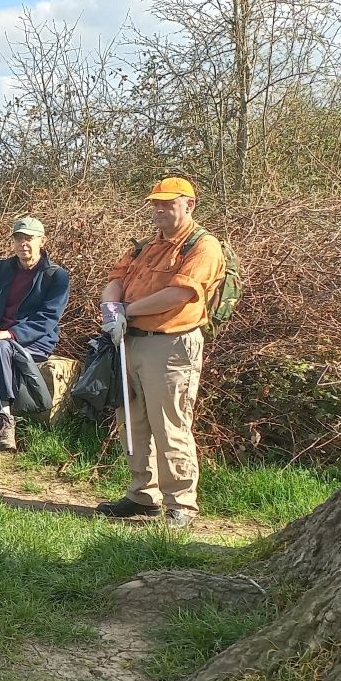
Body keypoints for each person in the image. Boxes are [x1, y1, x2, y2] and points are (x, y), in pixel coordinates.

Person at [94, 177, 226, 530]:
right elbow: (115, 279)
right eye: (155, 203)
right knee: (132, 422)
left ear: (189, 205)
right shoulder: (145, 247)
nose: (159, 209)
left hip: (171, 346)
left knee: (171, 425)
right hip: (130, 341)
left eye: (168, 203)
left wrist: (126, 310)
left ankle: (181, 503)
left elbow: (178, 295)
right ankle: (143, 495)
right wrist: (111, 308)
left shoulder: (203, 246)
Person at [0, 217, 71, 464]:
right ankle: (4, 421)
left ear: (42, 241)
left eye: (28, 239)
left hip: (34, 340)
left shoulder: (56, 276)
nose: (23, 244)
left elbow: (48, 318)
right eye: (18, 238)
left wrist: (10, 334)